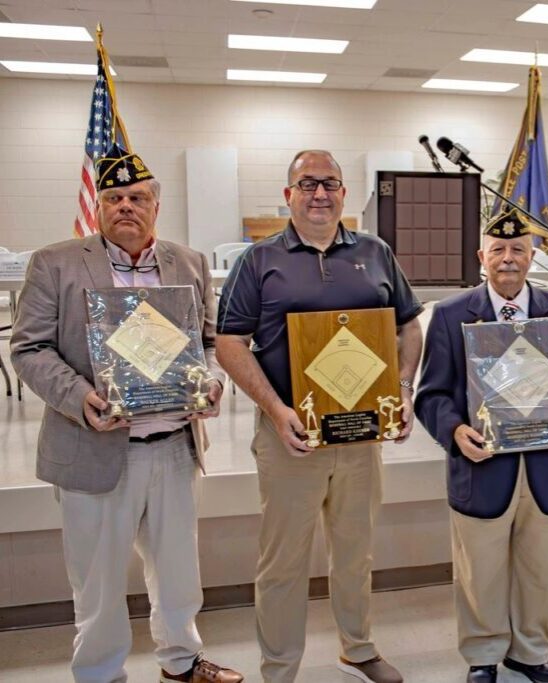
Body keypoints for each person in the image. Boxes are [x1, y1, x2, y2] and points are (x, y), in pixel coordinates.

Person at [11, 146, 242, 683]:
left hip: (173, 449)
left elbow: (207, 342)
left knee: (180, 574)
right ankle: (100, 674)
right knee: (96, 582)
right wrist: (79, 399)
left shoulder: (187, 262)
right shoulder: (56, 263)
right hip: (92, 450)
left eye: (137, 197)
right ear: (98, 206)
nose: (125, 207)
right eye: (113, 198)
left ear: (155, 206)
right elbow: (29, 349)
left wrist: (211, 380)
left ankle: (182, 662)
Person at [215, 150, 422, 683]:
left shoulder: (376, 252)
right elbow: (230, 343)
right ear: (288, 195)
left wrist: (400, 389)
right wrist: (276, 409)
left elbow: (408, 327)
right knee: (283, 563)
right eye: (307, 184)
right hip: (293, 438)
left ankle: (357, 648)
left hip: (360, 438)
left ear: (344, 194)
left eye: (330, 183)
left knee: (356, 553)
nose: (319, 194)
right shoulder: (259, 260)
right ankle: (279, 669)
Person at [415, 208, 548, 683]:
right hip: (482, 465)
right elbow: (431, 394)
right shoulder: (452, 315)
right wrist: (455, 431)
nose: (508, 258)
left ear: (533, 256)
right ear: (482, 256)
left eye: (518, 249)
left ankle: (531, 652)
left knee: (540, 570)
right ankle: (482, 654)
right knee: (481, 570)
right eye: (498, 249)